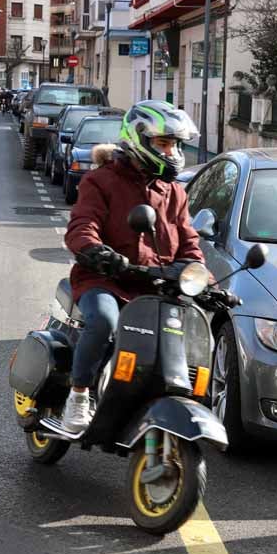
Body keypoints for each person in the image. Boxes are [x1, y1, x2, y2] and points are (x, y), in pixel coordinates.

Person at [60, 100, 205, 432]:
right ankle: (79, 395)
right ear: (139, 138)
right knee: (104, 321)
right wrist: (96, 251)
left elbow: (188, 239)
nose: (172, 152)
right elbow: (82, 225)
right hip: (105, 279)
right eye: (164, 143)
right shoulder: (101, 180)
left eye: (175, 145)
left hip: (153, 286)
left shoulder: (175, 192)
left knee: (186, 333)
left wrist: (197, 270)